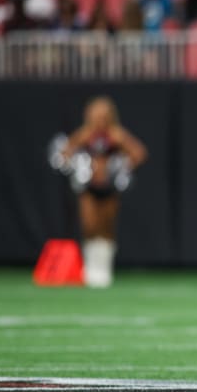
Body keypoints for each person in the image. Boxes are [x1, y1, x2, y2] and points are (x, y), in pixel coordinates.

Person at [61, 96, 147, 288]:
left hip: (109, 186)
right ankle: (91, 268)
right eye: (96, 115)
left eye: (103, 115)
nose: (100, 119)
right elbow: (66, 152)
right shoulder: (85, 134)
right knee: (89, 225)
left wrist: (122, 166)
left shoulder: (116, 135)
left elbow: (138, 152)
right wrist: (78, 166)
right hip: (89, 186)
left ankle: (103, 269)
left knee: (106, 226)